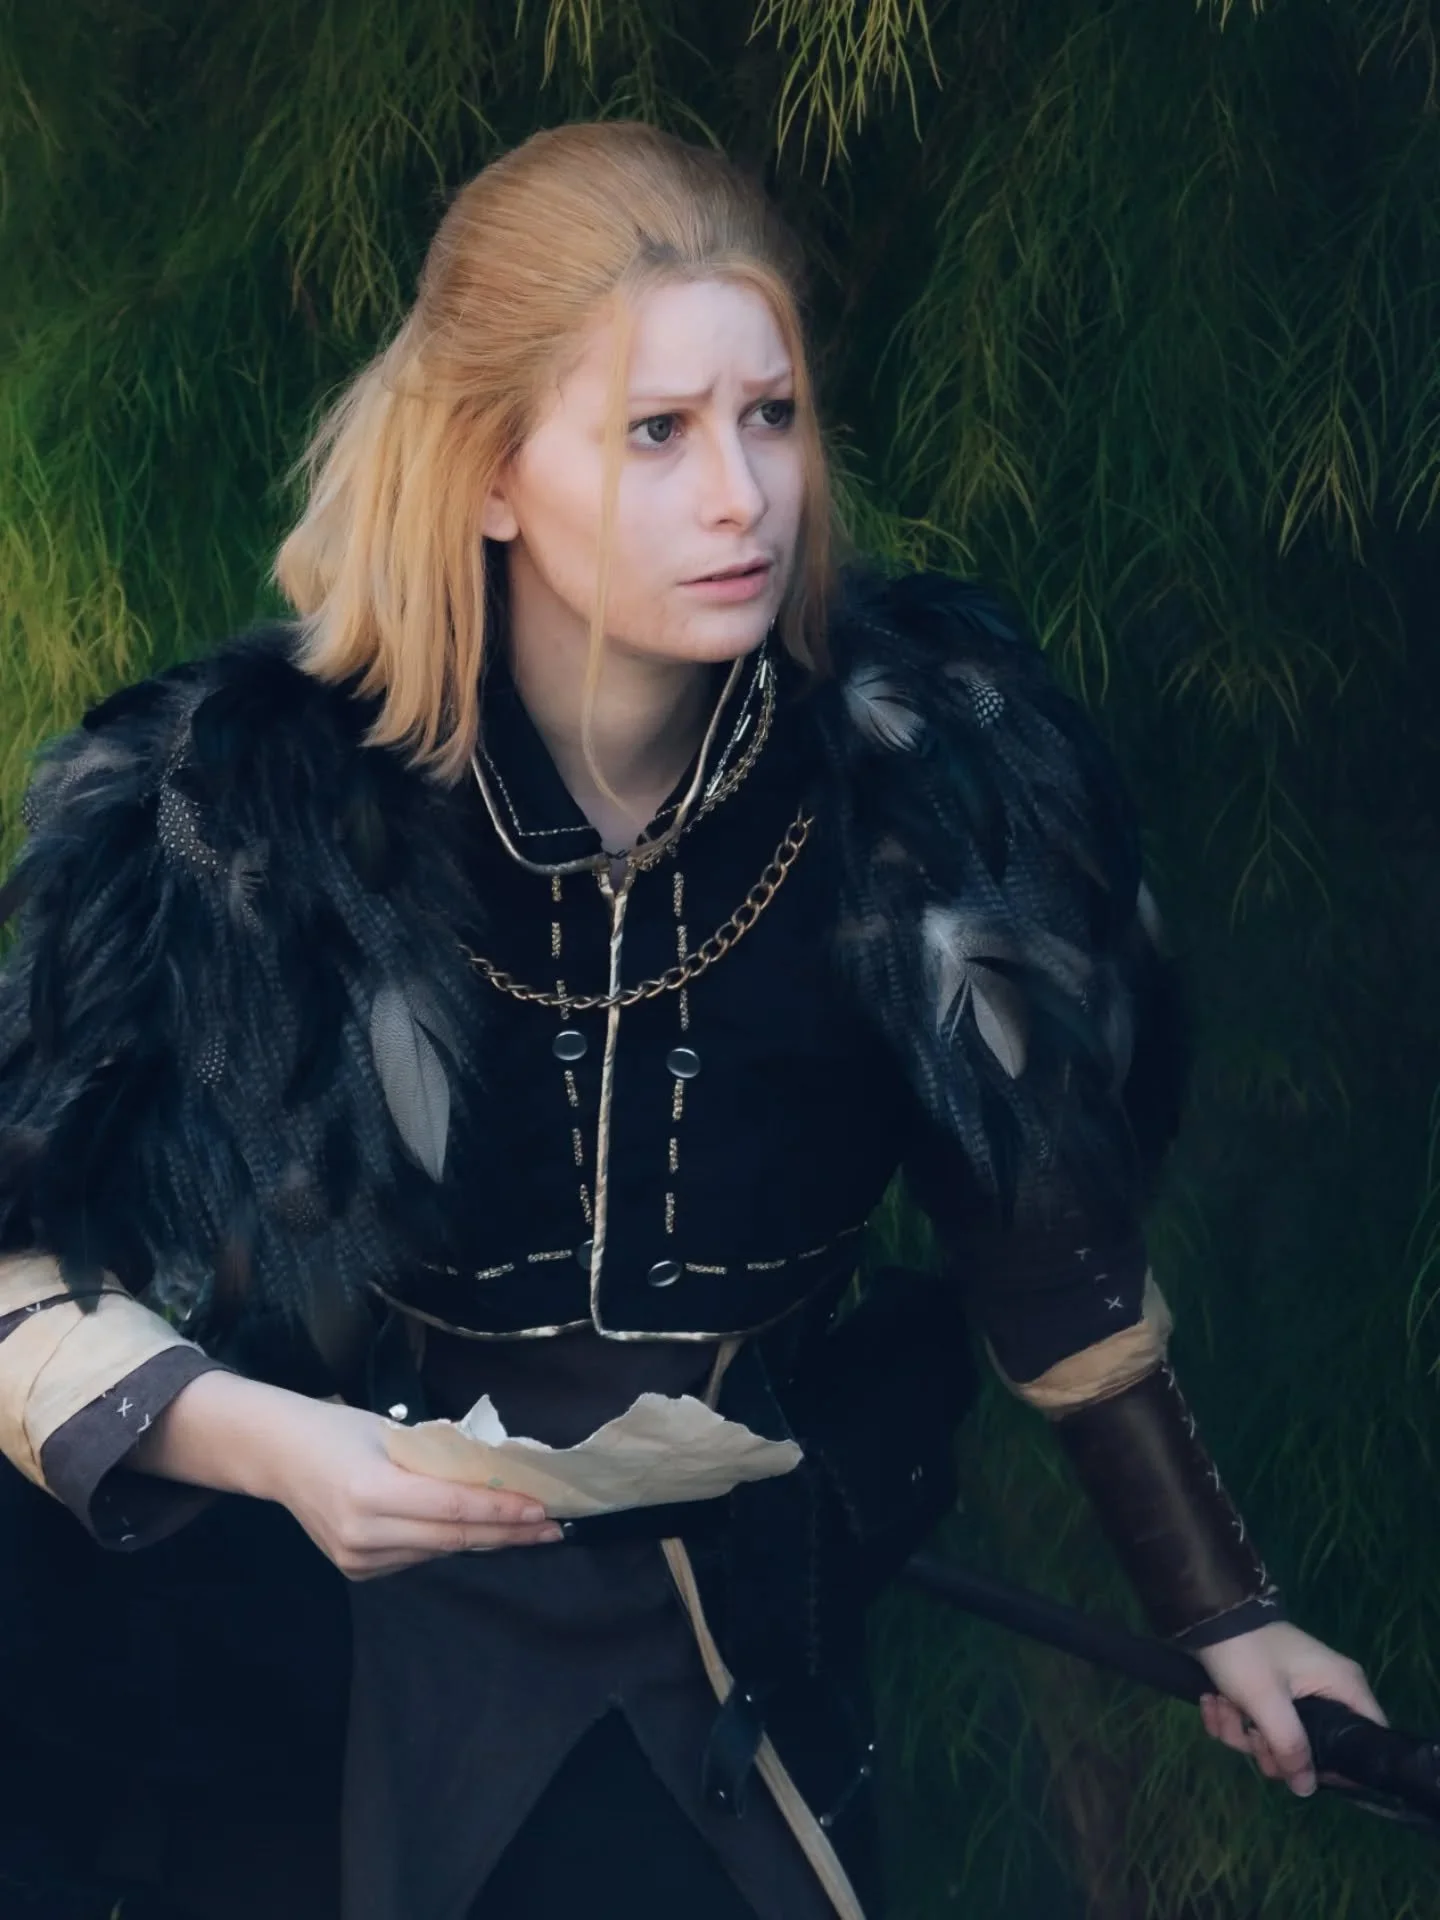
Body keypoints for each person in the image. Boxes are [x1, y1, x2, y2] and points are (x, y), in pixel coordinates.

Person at [0, 121, 1384, 1920]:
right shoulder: (236, 806)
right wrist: (279, 1447)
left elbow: (1043, 1235)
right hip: (305, 1642)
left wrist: (1226, 1611)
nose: (742, 496)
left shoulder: (928, 777)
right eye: (657, 431)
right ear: (490, 472)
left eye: (770, 416)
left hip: (724, 1639)